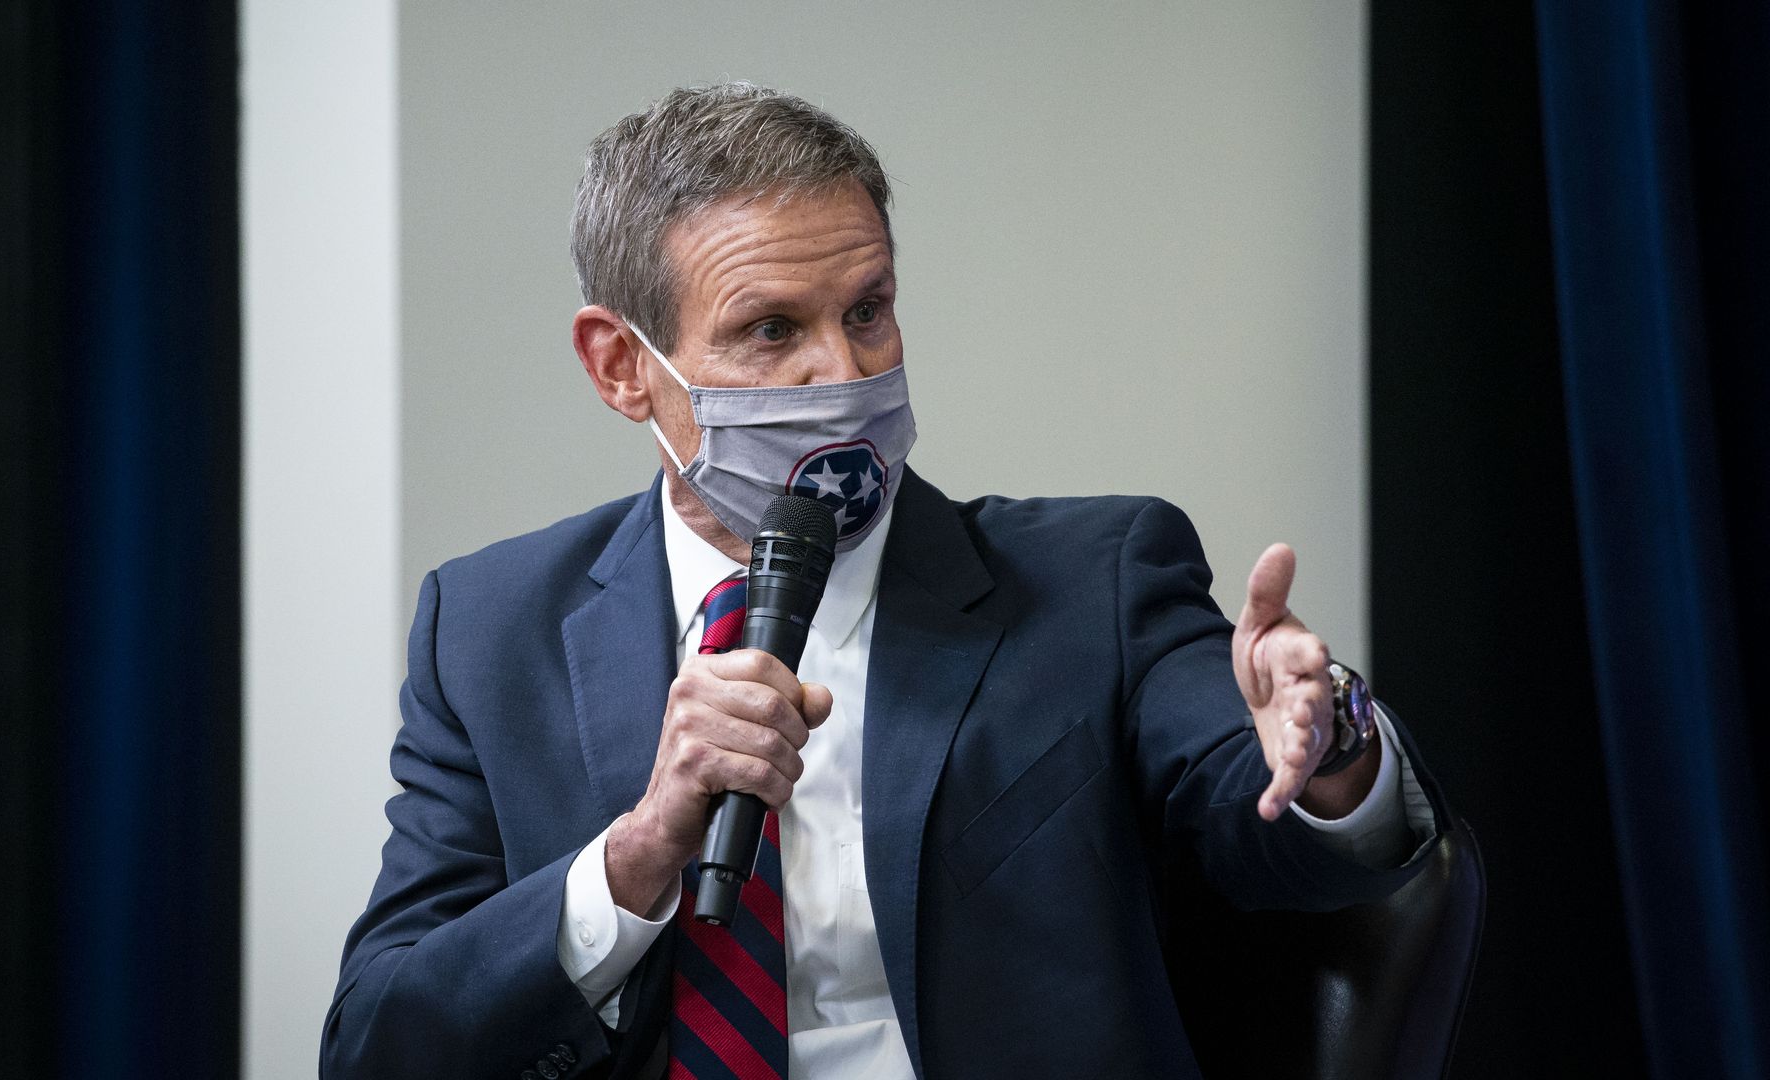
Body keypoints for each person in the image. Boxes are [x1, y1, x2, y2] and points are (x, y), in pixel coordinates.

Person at [322, 83, 1444, 1080]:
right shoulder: (488, 630)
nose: (845, 373)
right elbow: (382, 1039)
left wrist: (1329, 750)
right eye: (772, 329)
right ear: (622, 367)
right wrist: (636, 855)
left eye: (867, 311)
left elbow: (1272, 838)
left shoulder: (1092, 579)